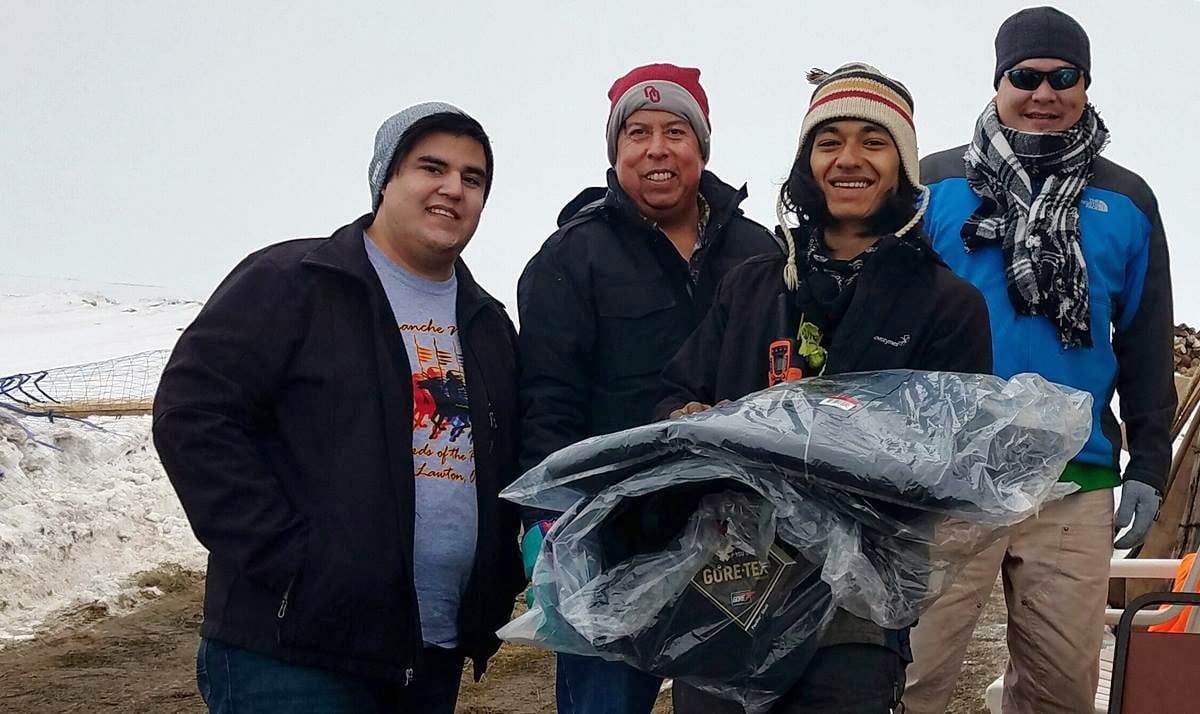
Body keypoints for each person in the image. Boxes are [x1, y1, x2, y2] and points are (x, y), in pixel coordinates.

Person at [152, 102, 524, 714]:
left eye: (473, 177)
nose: (453, 188)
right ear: (385, 179)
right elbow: (192, 416)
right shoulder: (294, 282)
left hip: (431, 648)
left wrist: (499, 578)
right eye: (430, 167)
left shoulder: (487, 326)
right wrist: (292, 562)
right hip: (294, 651)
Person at [655, 62, 992, 713]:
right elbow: (673, 396)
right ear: (807, 160)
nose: (849, 159)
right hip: (727, 593)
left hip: (855, 616)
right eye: (829, 140)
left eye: (873, 141)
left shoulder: (946, 303)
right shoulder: (750, 286)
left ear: (902, 164)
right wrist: (692, 414)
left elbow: (955, 461)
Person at [902, 7, 1176, 713]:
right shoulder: (933, 185)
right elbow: (891, 324)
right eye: (1025, 76)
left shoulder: (1128, 199)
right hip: (950, 475)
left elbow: (1146, 342)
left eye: (1064, 77)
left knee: (1062, 691)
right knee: (912, 679)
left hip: (1073, 480)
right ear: (998, 81)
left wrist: (1148, 463)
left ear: (1086, 84)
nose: (1044, 92)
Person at [517, 63, 781, 714]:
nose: (657, 148)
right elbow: (546, 399)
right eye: (636, 132)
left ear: (702, 145)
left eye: (675, 130)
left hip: (737, 532)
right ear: (615, 151)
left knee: (740, 704)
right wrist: (546, 526)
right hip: (611, 537)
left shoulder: (759, 251)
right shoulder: (570, 257)